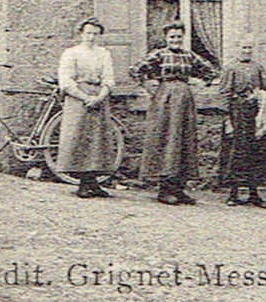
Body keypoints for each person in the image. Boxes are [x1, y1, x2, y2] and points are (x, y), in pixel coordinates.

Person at [132, 22, 216, 204]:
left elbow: (211, 71)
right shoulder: (159, 54)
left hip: (185, 99)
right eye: (172, 36)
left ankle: (179, 189)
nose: (175, 40)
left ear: (183, 38)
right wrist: (149, 87)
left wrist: (200, 86)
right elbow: (136, 70)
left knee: (183, 139)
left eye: (179, 36)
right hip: (165, 100)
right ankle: (164, 189)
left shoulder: (189, 55)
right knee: (166, 139)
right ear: (166, 38)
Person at [56, 17, 121, 198]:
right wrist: (85, 97)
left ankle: (93, 182)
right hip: (78, 97)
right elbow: (66, 80)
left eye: (95, 33)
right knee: (80, 138)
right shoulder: (71, 53)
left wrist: (100, 96)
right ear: (81, 34)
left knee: (98, 140)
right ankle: (83, 183)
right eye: (88, 33)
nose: (91, 37)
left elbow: (108, 78)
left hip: (99, 97)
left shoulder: (104, 53)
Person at [218, 35, 266, 206]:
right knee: (236, 151)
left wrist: (264, 95)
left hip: (255, 115)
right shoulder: (231, 68)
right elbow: (224, 95)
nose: (247, 51)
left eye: (250, 47)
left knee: (256, 151)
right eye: (244, 47)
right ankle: (233, 193)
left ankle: (254, 193)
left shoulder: (258, 68)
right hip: (237, 114)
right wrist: (227, 121)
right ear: (237, 48)